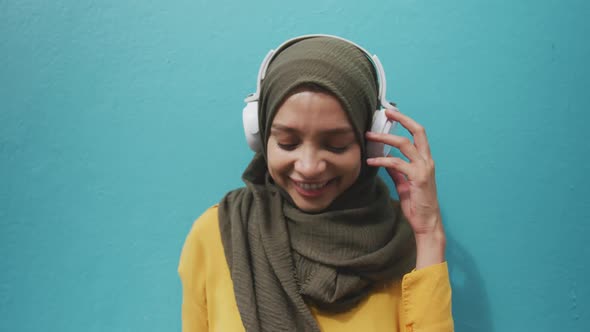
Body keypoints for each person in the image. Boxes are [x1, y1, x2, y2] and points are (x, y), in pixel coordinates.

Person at [178, 35, 454, 332]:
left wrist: (429, 235)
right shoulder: (216, 235)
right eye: (287, 143)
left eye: (336, 146)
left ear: (368, 142)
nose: (309, 167)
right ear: (261, 136)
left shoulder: (404, 243)